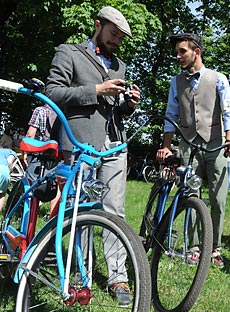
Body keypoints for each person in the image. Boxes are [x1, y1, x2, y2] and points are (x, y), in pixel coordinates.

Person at [45, 6, 140, 306]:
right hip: (81, 143)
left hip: (115, 146)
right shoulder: (69, 53)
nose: (117, 42)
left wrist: (128, 104)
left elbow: (114, 108)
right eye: (114, 35)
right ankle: (81, 273)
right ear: (98, 25)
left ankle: (117, 276)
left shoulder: (120, 66)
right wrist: (96, 90)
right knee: (80, 210)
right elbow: (52, 92)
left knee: (114, 211)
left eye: (121, 39)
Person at [156, 33, 230, 268]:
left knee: (217, 200)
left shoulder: (218, 78)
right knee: (190, 196)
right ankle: (193, 247)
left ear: (196, 52)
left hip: (217, 145)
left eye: (182, 51)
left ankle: (214, 248)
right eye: (177, 52)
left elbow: (228, 110)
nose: (178, 56)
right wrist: (166, 146)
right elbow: (171, 115)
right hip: (188, 145)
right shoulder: (176, 82)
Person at [24, 104, 61, 213]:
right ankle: (51, 217)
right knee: (55, 185)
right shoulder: (63, 111)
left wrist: (26, 152)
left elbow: (30, 134)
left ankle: (29, 214)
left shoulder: (40, 110)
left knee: (30, 184)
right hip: (56, 155)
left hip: (38, 154)